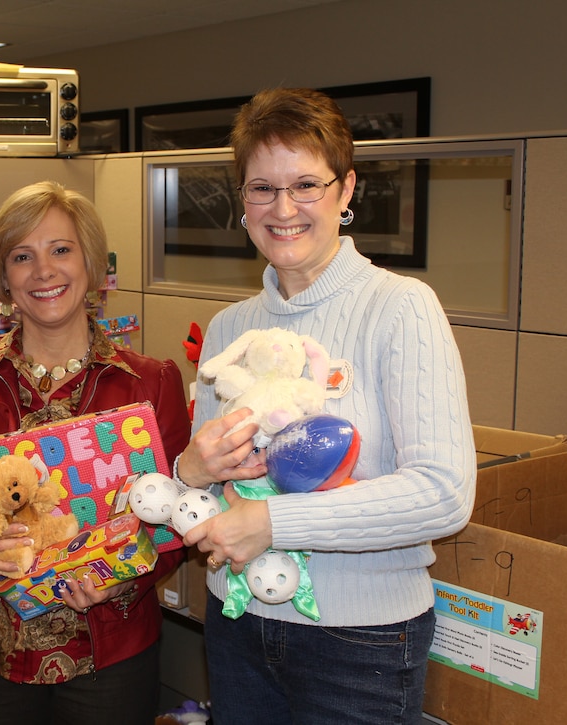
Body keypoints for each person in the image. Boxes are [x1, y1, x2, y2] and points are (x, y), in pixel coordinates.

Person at [174, 88, 477, 724]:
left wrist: (275, 526)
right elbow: (207, 496)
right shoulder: (230, 329)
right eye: (261, 188)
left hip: (360, 640)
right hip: (236, 619)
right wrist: (189, 473)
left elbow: (443, 493)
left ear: (346, 191)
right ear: (243, 199)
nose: (282, 208)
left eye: (306, 184)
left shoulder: (400, 308)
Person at [0, 181, 191, 725]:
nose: (44, 271)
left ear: (91, 264)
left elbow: (179, 515)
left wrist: (121, 579)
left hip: (111, 648)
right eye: (23, 256)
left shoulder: (150, 383)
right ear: (4, 278)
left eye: (61, 250)